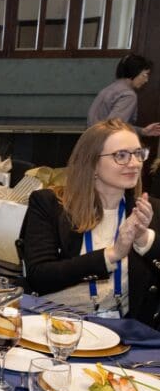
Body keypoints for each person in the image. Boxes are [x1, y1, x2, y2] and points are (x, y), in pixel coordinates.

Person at [23, 119, 160, 326]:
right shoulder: (49, 205)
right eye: (121, 156)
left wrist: (145, 240)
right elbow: (39, 276)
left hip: (128, 335)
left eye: (138, 154)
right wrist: (111, 255)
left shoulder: (151, 211)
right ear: (92, 162)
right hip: (58, 324)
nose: (134, 163)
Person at [87, 53, 160, 137]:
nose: (146, 80)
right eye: (145, 74)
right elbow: (113, 128)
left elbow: (112, 124)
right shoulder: (128, 95)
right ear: (135, 71)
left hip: (92, 142)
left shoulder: (109, 89)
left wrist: (143, 131)